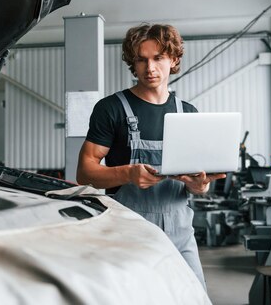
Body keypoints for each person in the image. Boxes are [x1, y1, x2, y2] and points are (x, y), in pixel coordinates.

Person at [76, 23, 225, 287]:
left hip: (180, 231)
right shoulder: (111, 109)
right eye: (141, 60)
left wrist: (198, 185)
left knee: (194, 295)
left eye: (158, 58)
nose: (150, 68)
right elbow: (85, 173)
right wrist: (128, 173)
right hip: (129, 230)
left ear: (174, 59)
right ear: (133, 63)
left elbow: (197, 183)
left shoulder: (187, 113)